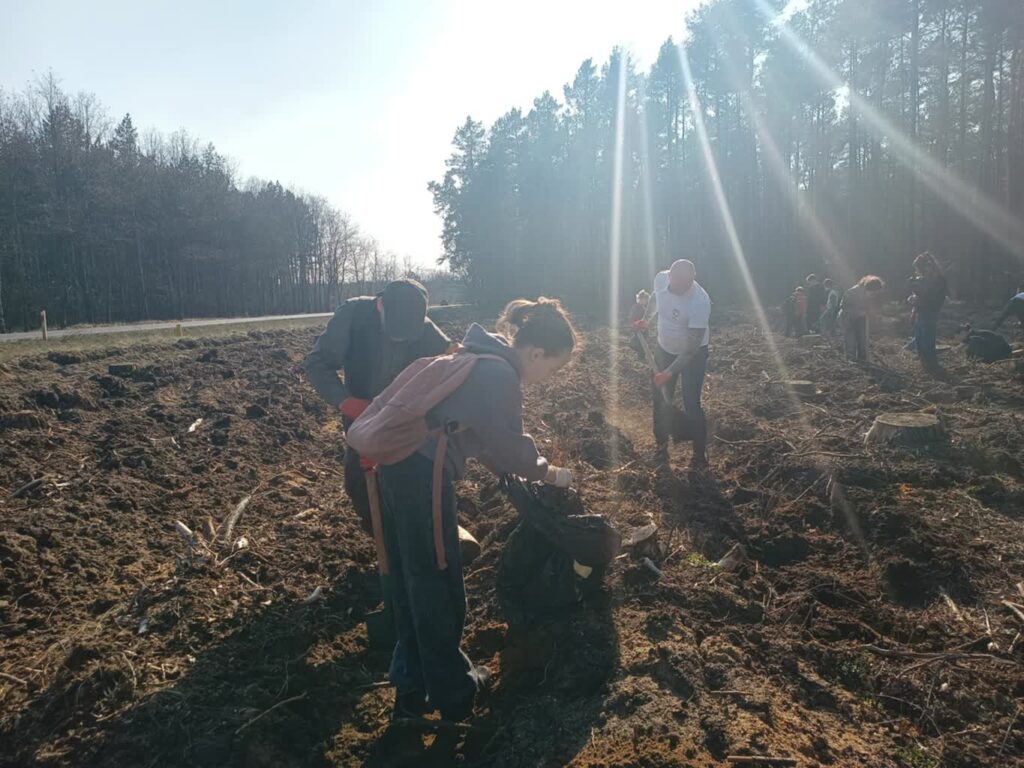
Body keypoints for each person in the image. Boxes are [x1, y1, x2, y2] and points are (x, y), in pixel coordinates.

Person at [378, 298, 576, 723]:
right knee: (440, 585)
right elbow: (508, 448)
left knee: (414, 583)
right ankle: (454, 696)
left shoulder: (478, 356)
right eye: (552, 369)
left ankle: (411, 693)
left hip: (397, 473)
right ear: (536, 353)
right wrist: (550, 473)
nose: (547, 379)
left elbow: (477, 435)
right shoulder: (499, 375)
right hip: (421, 480)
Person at [303, 279, 450, 534]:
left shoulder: (427, 331)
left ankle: (416, 530)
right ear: (380, 305)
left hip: (404, 418)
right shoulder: (353, 315)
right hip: (360, 414)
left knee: (410, 477)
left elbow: (449, 373)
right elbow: (317, 363)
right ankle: (381, 536)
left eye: (408, 335)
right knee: (358, 480)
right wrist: (345, 401)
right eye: (395, 333)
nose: (401, 339)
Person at [635, 259, 711, 467]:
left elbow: (690, 350)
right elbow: (654, 300)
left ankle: (699, 454)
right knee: (660, 399)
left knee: (691, 402)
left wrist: (668, 373)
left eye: (686, 282)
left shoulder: (700, 302)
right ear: (669, 276)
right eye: (676, 281)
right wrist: (646, 320)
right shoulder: (660, 279)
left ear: (692, 280)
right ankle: (661, 447)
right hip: (664, 349)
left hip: (693, 356)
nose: (680, 286)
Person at [907, 252, 948, 371]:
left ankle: (931, 364)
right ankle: (924, 363)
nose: (917, 272)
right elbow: (921, 295)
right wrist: (914, 303)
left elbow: (931, 299)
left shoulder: (937, 280)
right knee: (919, 339)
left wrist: (917, 299)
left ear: (926, 267)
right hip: (921, 312)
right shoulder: (925, 279)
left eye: (918, 269)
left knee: (927, 340)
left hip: (930, 313)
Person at [839, 275, 885, 362]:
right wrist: (859, 311)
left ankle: (863, 361)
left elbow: (874, 307)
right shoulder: (851, 293)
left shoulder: (874, 294)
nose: (874, 295)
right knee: (851, 342)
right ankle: (851, 361)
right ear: (866, 288)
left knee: (863, 341)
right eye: (872, 293)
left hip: (862, 319)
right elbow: (844, 307)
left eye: (876, 293)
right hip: (848, 318)